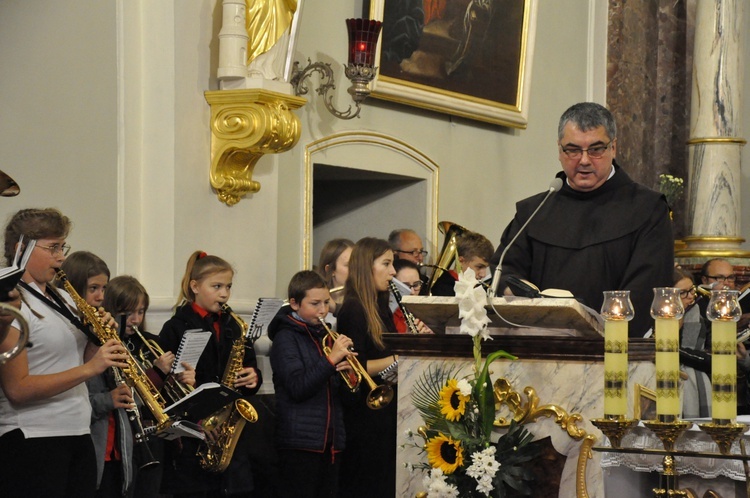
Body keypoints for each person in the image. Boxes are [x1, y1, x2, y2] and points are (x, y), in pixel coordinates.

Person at [490, 102, 673, 337]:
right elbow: (504, 270)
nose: (584, 160)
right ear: (559, 150)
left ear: (613, 148)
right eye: (573, 150)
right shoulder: (534, 211)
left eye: (596, 149)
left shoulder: (647, 208)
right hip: (537, 348)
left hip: (613, 351)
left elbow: (647, 287)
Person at [0, 208, 128, 497]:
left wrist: (98, 341)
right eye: (53, 247)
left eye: (63, 246)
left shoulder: (66, 298)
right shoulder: (9, 299)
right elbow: (17, 389)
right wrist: (91, 368)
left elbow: (71, 364)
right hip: (32, 437)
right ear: (22, 248)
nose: (61, 257)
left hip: (77, 430)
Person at [158, 250, 264, 498]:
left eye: (228, 286)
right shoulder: (176, 326)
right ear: (195, 286)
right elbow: (167, 388)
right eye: (216, 286)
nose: (224, 294)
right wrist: (199, 421)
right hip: (192, 435)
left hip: (229, 433)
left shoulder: (233, 326)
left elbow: (247, 366)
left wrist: (253, 377)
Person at [103, 275, 196, 498]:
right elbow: (128, 391)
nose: (136, 319)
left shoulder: (152, 341)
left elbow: (165, 393)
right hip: (127, 436)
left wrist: (183, 380)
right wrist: (157, 372)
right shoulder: (109, 346)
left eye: (141, 312)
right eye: (129, 313)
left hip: (157, 437)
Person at [268, 270, 354, 498]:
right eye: (314, 303)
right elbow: (298, 387)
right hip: (299, 444)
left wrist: (350, 375)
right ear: (294, 304)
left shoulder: (325, 336)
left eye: (326, 302)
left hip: (331, 440)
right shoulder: (285, 338)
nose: (323, 310)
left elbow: (343, 394)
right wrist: (331, 361)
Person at [60, 251, 136, 498]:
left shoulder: (103, 324)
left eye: (103, 288)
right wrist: (108, 400)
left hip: (116, 448)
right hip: (88, 445)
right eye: (93, 288)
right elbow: (70, 392)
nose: (101, 297)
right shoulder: (67, 333)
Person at [337, 237, 400, 498]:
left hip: (385, 413)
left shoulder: (381, 307)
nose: (393, 272)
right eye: (386, 264)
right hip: (364, 416)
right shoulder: (353, 308)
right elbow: (353, 366)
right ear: (366, 267)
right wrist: (397, 359)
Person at [674, 268, 711, 418]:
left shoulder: (698, 316)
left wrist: (674, 351)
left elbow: (710, 360)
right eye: (683, 293)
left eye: (691, 290)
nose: (690, 297)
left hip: (697, 382)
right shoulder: (651, 320)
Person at [429, 231, 493, 296]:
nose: (483, 275)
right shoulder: (442, 288)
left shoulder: (479, 288)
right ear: (461, 261)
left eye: (485, 267)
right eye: (479, 267)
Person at [317, 238, 354, 314]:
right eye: (348, 265)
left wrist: (335, 308)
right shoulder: (317, 305)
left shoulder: (365, 301)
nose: (355, 270)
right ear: (330, 270)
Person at [388, 229, 429, 295]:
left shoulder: (425, 283)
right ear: (395, 254)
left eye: (421, 251)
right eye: (413, 252)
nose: (420, 258)